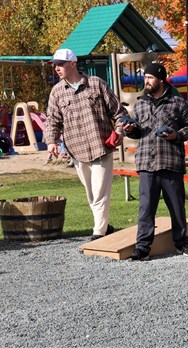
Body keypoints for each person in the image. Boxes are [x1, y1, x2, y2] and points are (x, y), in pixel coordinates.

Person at [44, 48, 126, 241]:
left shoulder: (96, 84)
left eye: (61, 64)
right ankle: (105, 226)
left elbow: (119, 113)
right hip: (76, 150)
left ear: (73, 63)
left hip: (101, 147)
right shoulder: (57, 92)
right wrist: (51, 141)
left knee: (99, 191)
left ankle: (98, 232)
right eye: (55, 65)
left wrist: (120, 131)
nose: (57, 68)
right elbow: (52, 120)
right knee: (91, 193)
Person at [122, 63, 188, 261]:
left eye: (150, 77)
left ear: (161, 80)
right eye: (145, 77)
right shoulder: (141, 104)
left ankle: (182, 244)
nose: (146, 81)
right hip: (147, 163)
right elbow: (137, 130)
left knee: (176, 207)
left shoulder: (177, 102)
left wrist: (176, 135)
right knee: (146, 208)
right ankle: (142, 248)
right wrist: (130, 129)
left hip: (171, 161)